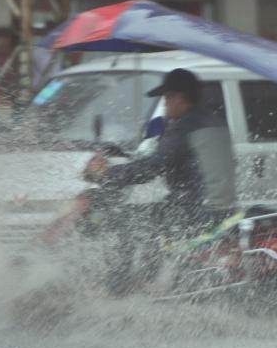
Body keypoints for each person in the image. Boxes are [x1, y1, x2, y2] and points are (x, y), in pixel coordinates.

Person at [83, 68, 237, 292]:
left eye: (166, 98)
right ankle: (151, 278)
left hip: (194, 212)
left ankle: (119, 290)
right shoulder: (216, 122)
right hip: (223, 209)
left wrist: (105, 175)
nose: (165, 105)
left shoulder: (184, 126)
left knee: (123, 218)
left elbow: (152, 167)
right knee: (151, 216)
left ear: (178, 97)